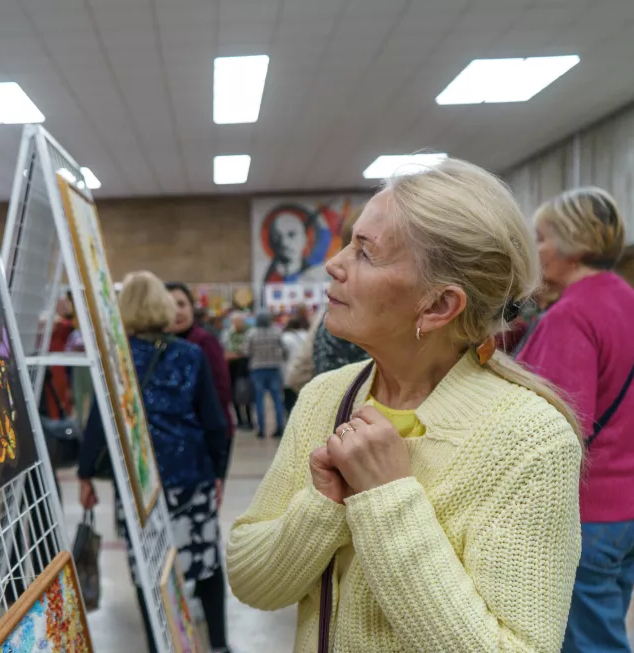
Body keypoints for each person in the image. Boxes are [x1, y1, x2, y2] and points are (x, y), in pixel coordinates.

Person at [227, 159, 582, 653]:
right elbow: (249, 579)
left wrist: (386, 499)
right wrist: (322, 506)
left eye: (365, 254)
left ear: (438, 306)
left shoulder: (528, 441)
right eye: (351, 240)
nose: (334, 262)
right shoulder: (325, 397)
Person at [79, 271, 231, 653]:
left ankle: (159, 644)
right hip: (190, 475)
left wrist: (85, 475)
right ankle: (218, 645)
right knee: (204, 565)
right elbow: (214, 423)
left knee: (149, 571)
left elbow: (99, 423)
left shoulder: (116, 360)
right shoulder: (190, 355)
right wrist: (218, 473)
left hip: (138, 484)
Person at [515, 187, 634, 653]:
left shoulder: (571, 316)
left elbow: (558, 430)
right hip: (626, 507)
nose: (536, 251)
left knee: (589, 644)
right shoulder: (625, 299)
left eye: (541, 239)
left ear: (573, 244)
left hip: (588, 512)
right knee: (605, 627)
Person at [167, 281, 235, 472]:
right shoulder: (158, 346)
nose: (178, 312)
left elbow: (221, 392)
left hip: (207, 436)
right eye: (170, 306)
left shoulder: (204, 343)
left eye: (181, 304)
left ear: (191, 307)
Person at [243, 312, 286, 439]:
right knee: (277, 399)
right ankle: (280, 427)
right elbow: (283, 349)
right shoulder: (276, 332)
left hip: (257, 369)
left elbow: (246, 351)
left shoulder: (251, 333)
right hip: (274, 368)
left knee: (259, 400)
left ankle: (261, 429)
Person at [222, 311, 254, 429]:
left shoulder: (249, 333)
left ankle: (250, 420)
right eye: (234, 322)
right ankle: (240, 420)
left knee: (247, 394)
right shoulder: (228, 334)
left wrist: (237, 354)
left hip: (245, 367)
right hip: (231, 368)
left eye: (239, 321)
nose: (237, 324)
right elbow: (225, 351)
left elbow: (247, 351)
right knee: (234, 395)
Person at [281, 309, 311, 415]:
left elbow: (282, 356)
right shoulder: (307, 334)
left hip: (289, 373)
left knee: (289, 400)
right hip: (306, 372)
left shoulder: (285, 337)